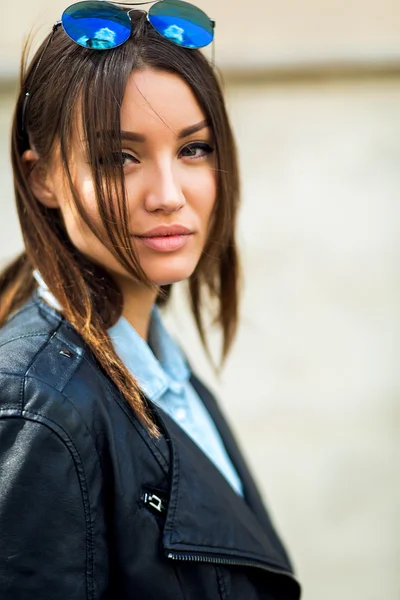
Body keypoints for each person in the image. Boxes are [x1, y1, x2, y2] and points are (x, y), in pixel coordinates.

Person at [0, 2, 301, 598]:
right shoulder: (36, 406)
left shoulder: (161, 373)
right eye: (119, 157)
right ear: (44, 179)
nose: (168, 194)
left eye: (194, 149)